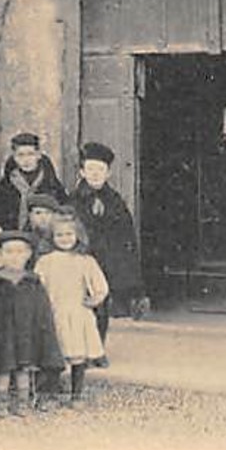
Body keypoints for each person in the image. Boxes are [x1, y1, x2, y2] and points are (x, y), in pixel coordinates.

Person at [0, 231, 64, 416]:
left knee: (24, 368)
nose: (14, 256)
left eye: (20, 252)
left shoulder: (33, 282)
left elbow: (42, 311)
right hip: (1, 334)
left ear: (28, 254)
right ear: (0, 254)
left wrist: (43, 332)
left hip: (26, 333)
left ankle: (23, 402)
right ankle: (1, 402)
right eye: (9, 252)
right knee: (3, 367)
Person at [70, 142, 143, 352]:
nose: (95, 174)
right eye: (90, 169)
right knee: (80, 306)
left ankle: (97, 349)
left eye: (100, 169)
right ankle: (79, 349)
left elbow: (125, 234)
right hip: (82, 260)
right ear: (82, 171)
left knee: (101, 307)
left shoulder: (115, 201)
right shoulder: (73, 200)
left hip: (107, 262)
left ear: (108, 173)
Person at [35, 217, 110, 407]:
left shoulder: (85, 261)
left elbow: (100, 285)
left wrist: (94, 299)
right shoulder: (45, 261)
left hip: (77, 312)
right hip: (53, 312)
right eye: (59, 235)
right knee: (53, 355)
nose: (65, 238)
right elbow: (38, 286)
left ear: (78, 236)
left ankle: (76, 395)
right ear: (51, 237)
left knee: (78, 356)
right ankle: (48, 395)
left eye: (69, 234)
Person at [0, 132, 65, 231]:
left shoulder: (51, 183)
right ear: (14, 157)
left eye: (30, 154)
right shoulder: (6, 186)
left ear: (38, 155)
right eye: (20, 155)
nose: (26, 160)